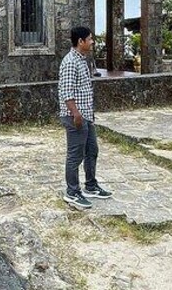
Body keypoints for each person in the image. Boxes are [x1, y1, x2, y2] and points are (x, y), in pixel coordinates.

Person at [58, 26, 113, 210]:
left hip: (86, 115)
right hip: (76, 117)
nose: (92, 42)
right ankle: (72, 192)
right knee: (75, 155)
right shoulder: (70, 62)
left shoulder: (83, 60)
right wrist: (76, 114)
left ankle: (91, 185)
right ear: (80, 41)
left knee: (92, 150)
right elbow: (66, 92)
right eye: (90, 39)